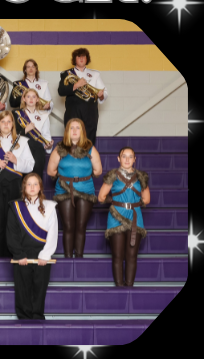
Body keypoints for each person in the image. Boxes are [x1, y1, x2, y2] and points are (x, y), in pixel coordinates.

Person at [0, 111, 35, 258]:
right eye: (3, 122)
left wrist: (16, 160)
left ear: (12, 125)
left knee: (11, 222)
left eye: (9, 122)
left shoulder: (21, 141)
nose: (6, 125)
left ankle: (12, 254)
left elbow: (31, 166)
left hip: (13, 185)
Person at [47, 118, 103, 258]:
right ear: (67, 131)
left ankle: (78, 258)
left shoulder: (90, 148)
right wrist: (67, 177)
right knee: (68, 226)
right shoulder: (59, 148)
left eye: (78, 128)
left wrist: (80, 176)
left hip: (86, 191)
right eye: (72, 128)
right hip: (64, 191)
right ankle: (67, 258)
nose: (75, 131)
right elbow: (50, 171)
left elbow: (98, 171)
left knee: (80, 226)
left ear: (82, 131)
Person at [6, 173, 58, 320]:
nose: (32, 187)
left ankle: (37, 316)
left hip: (42, 254)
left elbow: (53, 233)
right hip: (22, 255)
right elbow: (12, 233)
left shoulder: (50, 206)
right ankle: (23, 317)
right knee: (22, 288)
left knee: (40, 287)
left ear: (40, 187)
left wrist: (45, 255)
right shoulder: (15, 206)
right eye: (29, 184)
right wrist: (19, 254)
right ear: (24, 187)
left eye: (36, 184)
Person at [98, 147, 151, 287]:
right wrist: (119, 202)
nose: (127, 159)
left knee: (132, 256)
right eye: (124, 156)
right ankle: (120, 289)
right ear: (118, 158)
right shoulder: (112, 175)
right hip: (116, 217)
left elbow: (146, 199)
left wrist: (128, 203)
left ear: (135, 159)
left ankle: (129, 288)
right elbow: (101, 197)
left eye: (130, 156)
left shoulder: (141, 177)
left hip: (135, 217)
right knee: (118, 256)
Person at [58, 48, 107, 145]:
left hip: (90, 111)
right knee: (72, 138)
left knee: (89, 137)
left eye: (83, 56)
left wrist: (101, 95)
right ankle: (72, 159)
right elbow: (61, 91)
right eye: (79, 56)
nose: (81, 58)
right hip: (73, 110)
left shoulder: (95, 74)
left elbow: (104, 93)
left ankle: (87, 159)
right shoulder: (66, 74)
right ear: (74, 59)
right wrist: (76, 85)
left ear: (87, 59)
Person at [13, 88, 53, 176]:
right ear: (24, 99)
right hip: (21, 150)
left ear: (38, 99)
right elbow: (12, 134)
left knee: (36, 178)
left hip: (38, 151)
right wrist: (26, 130)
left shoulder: (44, 115)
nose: (31, 99)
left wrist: (48, 146)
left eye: (34, 97)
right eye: (28, 96)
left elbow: (46, 135)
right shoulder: (16, 113)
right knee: (22, 180)